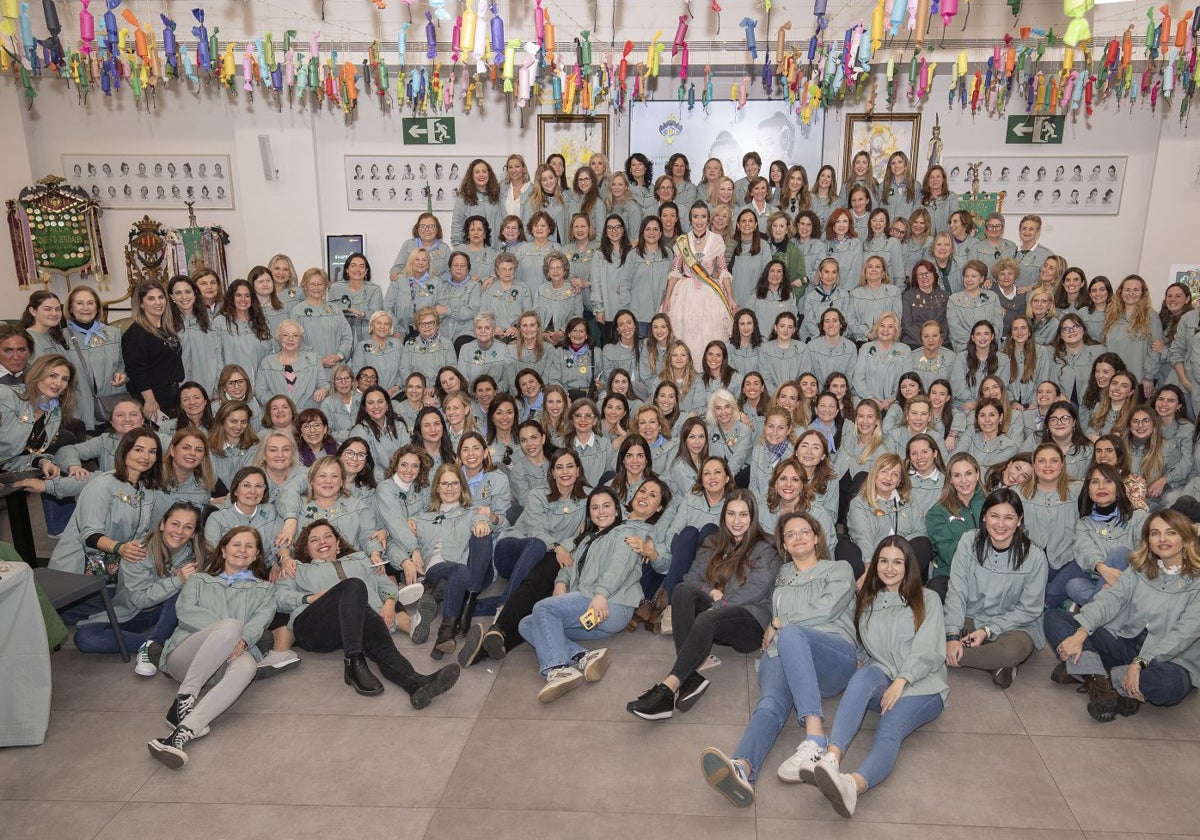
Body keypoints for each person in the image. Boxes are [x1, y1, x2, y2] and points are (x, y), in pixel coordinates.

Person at [698, 512, 854, 807]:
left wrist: (780, 622)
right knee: (769, 703)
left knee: (793, 634)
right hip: (785, 653)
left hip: (831, 654)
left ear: (817, 537)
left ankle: (816, 739)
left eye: (804, 531)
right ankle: (742, 767)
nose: (797, 537)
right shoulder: (781, 575)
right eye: (790, 534)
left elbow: (827, 609)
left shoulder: (838, 569)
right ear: (783, 544)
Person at [807, 536, 948, 819]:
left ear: (908, 566)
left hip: (922, 686)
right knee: (863, 677)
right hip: (884, 678)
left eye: (898, 562)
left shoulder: (927, 599)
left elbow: (929, 650)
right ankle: (832, 758)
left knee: (889, 731)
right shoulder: (866, 601)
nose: (890, 568)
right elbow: (860, 643)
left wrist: (902, 681)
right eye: (883, 561)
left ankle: (852, 786)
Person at [627, 491, 781, 720]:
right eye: (731, 514)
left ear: (753, 517)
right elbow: (690, 579)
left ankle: (667, 689)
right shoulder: (714, 542)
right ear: (724, 515)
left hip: (750, 620)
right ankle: (690, 677)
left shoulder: (766, 547)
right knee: (682, 591)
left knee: (708, 617)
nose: (736, 521)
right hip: (716, 615)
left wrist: (719, 606)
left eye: (743, 515)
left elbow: (754, 591)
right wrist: (710, 592)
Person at [277, 520, 460, 705]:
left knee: (382, 646)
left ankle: (416, 683)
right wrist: (309, 598)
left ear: (338, 543)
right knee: (354, 586)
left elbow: (385, 584)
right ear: (306, 549)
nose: (322, 542)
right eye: (314, 540)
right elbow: (280, 597)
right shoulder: (297, 568)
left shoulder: (360, 560)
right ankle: (353, 663)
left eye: (327, 536)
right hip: (314, 626)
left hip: (355, 623)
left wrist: (389, 603)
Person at [1045, 508, 1200, 722]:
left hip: (1168, 659)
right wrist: (1080, 634)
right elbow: (1110, 600)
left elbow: (1183, 635)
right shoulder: (1140, 568)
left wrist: (1140, 663)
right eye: (1155, 533)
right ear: (1148, 540)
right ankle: (1102, 685)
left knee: (1170, 685)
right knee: (1055, 619)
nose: (1162, 539)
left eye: (1171, 532)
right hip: (1124, 643)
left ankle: (1094, 673)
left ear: (1185, 538)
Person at [519, 482, 667, 703]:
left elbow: (619, 567)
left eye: (606, 506)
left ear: (617, 510)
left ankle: (558, 668)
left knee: (543, 608)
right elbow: (570, 566)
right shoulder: (588, 538)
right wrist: (560, 583)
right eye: (595, 508)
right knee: (527, 624)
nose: (601, 512)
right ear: (589, 513)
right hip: (588, 609)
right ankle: (582, 656)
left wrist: (601, 595)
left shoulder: (626, 532)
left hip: (611, 604)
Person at [146, 526, 275, 769]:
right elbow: (185, 613)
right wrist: (228, 634)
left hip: (227, 663)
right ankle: (185, 696)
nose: (242, 550)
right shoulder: (198, 580)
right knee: (231, 625)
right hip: (186, 659)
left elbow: (260, 622)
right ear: (224, 550)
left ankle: (181, 734)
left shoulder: (265, 590)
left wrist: (242, 640)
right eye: (236, 544)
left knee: (247, 665)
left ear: (257, 554)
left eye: (249, 546)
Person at [73, 502, 205, 676]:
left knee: (187, 586)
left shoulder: (198, 555)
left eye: (188, 527)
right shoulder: (137, 551)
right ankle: (155, 643)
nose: (179, 532)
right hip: (134, 612)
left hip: (171, 615)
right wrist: (176, 580)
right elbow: (139, 600)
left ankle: (156, 643)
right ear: (162, 524)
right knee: (85, 638)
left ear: (194, 533)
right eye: (174, 524)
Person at [944, 488, 1049, 688]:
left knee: (1009, 652)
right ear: (984, 516)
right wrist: (951, 635)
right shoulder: (968, 542)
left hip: (1014, 627)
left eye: (1008, 517)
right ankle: (991, 663)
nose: (1000, 525)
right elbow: (956, 591)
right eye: (994, 516)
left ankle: (947, 654)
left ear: (1019, 520)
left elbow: (1029, 609)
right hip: (970, 618)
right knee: (924, 629)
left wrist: (988, 630)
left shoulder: (1034, 557)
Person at [394, 463, 496, 657]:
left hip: (473, 573)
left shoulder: (471, 513)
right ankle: (449, 629)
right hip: (438, 569)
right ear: (437, 488)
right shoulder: (422, 518)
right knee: (459, 570)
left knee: (481, 537)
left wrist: (483, 522)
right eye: (445, 484)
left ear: (462, 487)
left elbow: (481, 521)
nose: (450, 488)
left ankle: (464, 604)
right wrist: (409, 554)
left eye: (455, 483)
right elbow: (397, 543)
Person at [663, 202, 737, 367]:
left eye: (703, 216)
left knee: (710, 334)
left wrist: (731, 298)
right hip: (685, 293)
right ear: (690, 219)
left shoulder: (716, 240)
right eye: (695, 216)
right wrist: (667, 298)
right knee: (685, 334)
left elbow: (723, 271)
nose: (699, 221)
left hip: (710, 293)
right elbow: (675, 271)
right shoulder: (682, 241)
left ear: (708, 218)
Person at [63, 285, 127, 431]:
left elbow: (124, 365)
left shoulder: (114, 333)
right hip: (79, 409)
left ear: (97, 308)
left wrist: (123, 374)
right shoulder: (62, 338)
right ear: (71, 308)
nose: (86, 308)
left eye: (90, 303)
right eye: (79, 303)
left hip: (112, 405)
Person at [122, 282, 184, 421]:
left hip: (173, 394)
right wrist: (149, 400)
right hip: (153, 398)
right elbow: (136, 371)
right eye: (151, 298)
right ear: (141, 304)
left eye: (161, 297)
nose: (158, 302)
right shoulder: (135, 334)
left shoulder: (167, 327)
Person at [291, 268, 353, 369]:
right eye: (312, 284)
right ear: (305, 286)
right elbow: (296, 341)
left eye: (320, 284)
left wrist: (339, 355)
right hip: (310, 368)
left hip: (337, 368)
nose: (316, 288)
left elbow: (347, 336)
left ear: (326, 286)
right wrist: (319, 360)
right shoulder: (298, 312)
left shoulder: (335, 309)